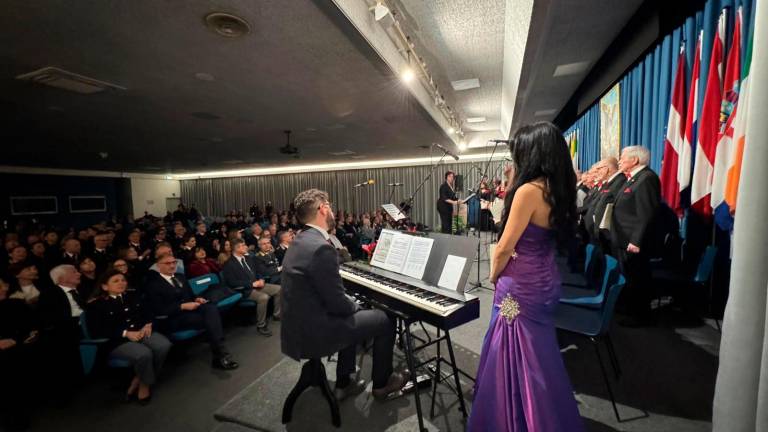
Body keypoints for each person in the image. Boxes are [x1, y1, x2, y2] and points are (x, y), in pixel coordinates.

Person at [468, 122, 583, 431]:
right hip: (545, 280)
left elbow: (505, 245)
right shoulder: (558, 188)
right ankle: (543, 407)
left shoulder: (528, 192)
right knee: (539, 351)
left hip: (518, 288)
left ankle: (518, 415)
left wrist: (493, 274)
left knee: (512, 350)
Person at [281, 189, 409, 401]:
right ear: (322, 209)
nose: (331, 209)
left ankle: (344, 382)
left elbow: (323, 291)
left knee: (353, 309)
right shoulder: (321, 247)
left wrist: (351, 304)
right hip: (316, 332)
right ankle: (382, 384)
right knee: (386, 318)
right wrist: (356, 306)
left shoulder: (300, 240)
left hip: (297, 327)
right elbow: (338, 305)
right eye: (329, 205)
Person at [87, 270, 171, 405]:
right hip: (116, 341)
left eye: (123, 280)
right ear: (104, 287)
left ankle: (139, 379)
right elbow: (98, 330)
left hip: (141, 332)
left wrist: (148, 324)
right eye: (116, 281)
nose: (121, 283)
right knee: (144, 354)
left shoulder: (133, 295)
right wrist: (125, 333)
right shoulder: (96, 304)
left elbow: (149, 312)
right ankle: (145, 386)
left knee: (163, 345)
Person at [145, 253, 238, 370]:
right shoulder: (153, 285)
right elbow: (159, 310)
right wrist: (182, 306)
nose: (172, 265)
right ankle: (220, 355)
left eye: (174, 262)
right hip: (173, 318)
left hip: (190, 311)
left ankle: (219, 353)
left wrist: (196, 299)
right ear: (158, 266)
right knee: (211, 320)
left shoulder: (180, 276)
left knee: (211, 308)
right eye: (168, 263)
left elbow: (191, 295)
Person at [611, 145, 660, 326]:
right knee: (631, 277)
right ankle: (631, 310)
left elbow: (645, 212)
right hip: (625, 238)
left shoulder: (647, 178)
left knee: (638, 278)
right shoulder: (634, 178)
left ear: (635, 160)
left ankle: (640, 316)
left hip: (634, 241)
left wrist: (636, 240)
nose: (620, 160)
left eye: (623, 157)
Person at [221, 239, 281, 336]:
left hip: (258, 284)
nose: (246, 247)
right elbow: (232, 282)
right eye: (243, 245)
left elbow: (258, 272)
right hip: (245, 289)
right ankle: (261, 325)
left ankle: (277, 315)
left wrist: (261, 279)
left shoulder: (249, 259)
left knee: (279, 289)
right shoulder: (228, 264)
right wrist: (252, 284)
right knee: (263, 297)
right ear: (236, 248)